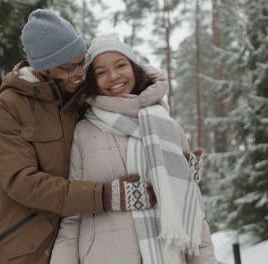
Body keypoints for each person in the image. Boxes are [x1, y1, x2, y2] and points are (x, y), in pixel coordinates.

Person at [0, 10, 159, 264]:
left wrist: (168, 156)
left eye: (82, 61)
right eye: (69, 68)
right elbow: (21, 183)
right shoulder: (8, 107)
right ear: (43, 68)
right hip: (30, 246)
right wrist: (103, 196)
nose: (80, 73)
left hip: (87, 238)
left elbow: (125, 120)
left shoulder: (81, 98)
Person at [50, 35, 218, 264]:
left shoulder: (169, 128)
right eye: (101, 72)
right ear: (92, 81)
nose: (113, 76)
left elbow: (192, 209)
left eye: (121, 65)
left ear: (134, 69)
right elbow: (72, 215)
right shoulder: (83, 131)